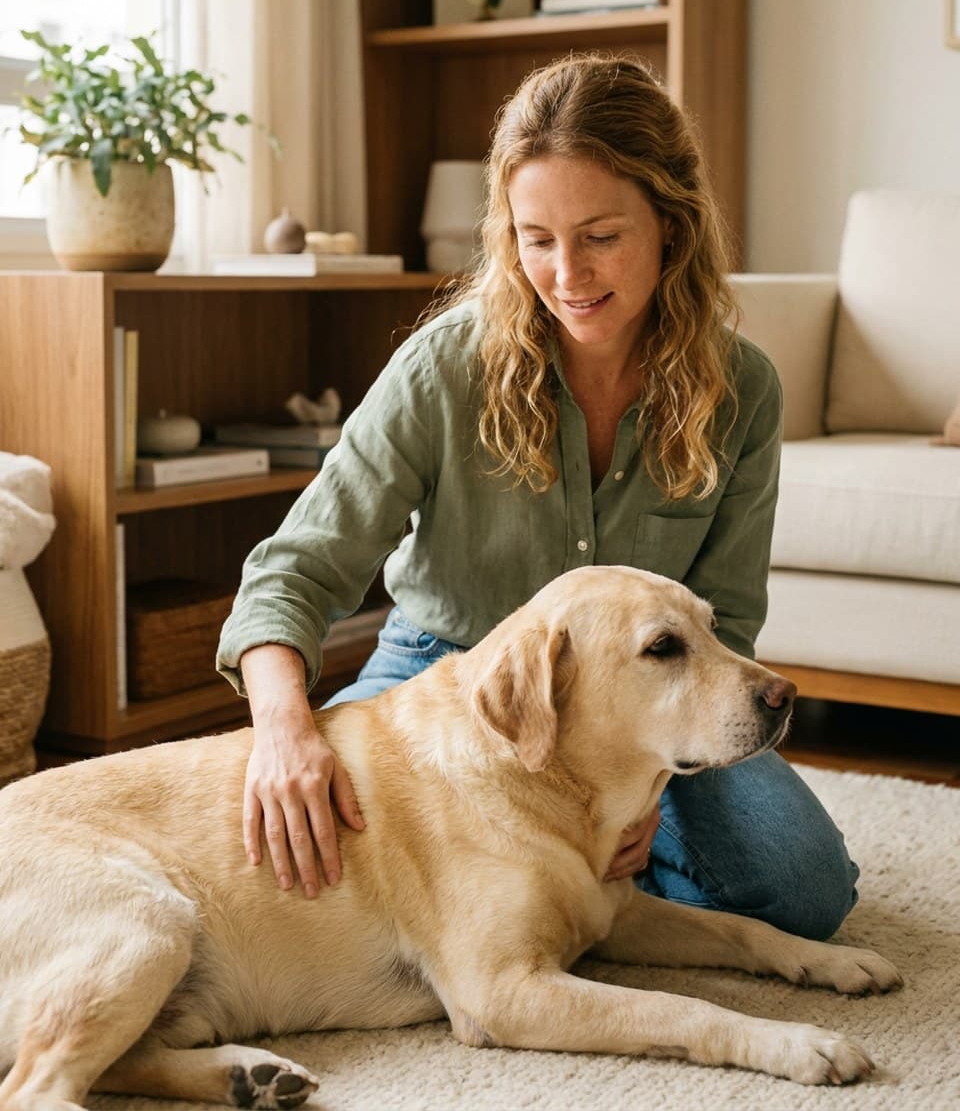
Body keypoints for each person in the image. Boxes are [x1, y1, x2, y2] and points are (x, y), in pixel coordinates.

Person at [217, 53, 859, 939]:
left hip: (649, 692)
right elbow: (294, 571)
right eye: (537, 237)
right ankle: (534, 890)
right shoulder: (445, 367)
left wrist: (642, 792)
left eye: (601, 235)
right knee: (320, 875)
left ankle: (553, 888)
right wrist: (284, 735)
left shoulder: (742, 389)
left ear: (671, 225)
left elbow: (729, 623)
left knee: (803, 893)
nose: (567, 274)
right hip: (446, 668)